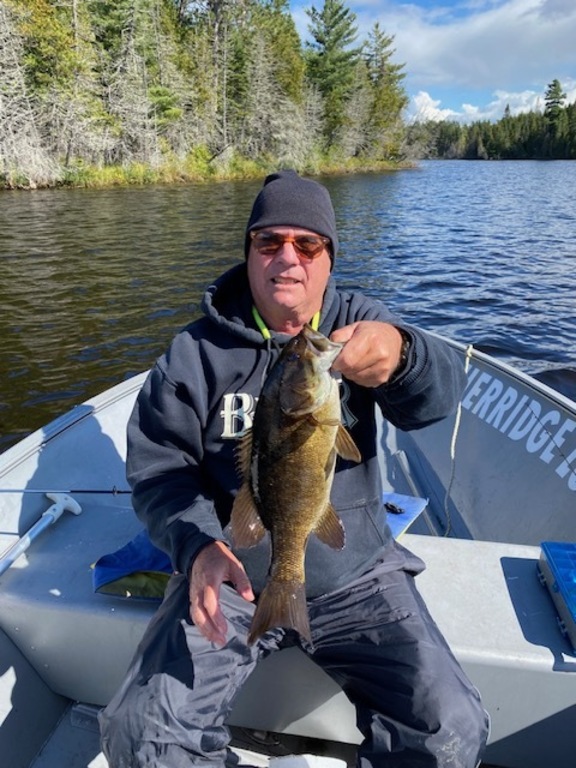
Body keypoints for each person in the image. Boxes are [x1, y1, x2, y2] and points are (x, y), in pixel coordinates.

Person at [99, 170, 489, 767]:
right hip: (231, 571)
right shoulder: (193, 354)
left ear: (329, 258)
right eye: (269, 242)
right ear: (249, 252)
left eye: (308, 245)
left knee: (450, 726)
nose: (289, 258)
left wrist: (404, 355)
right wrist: (197, 547)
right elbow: (158, 471)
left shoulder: (357, 322)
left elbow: (435, 401)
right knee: (142, 731)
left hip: (356, 568)